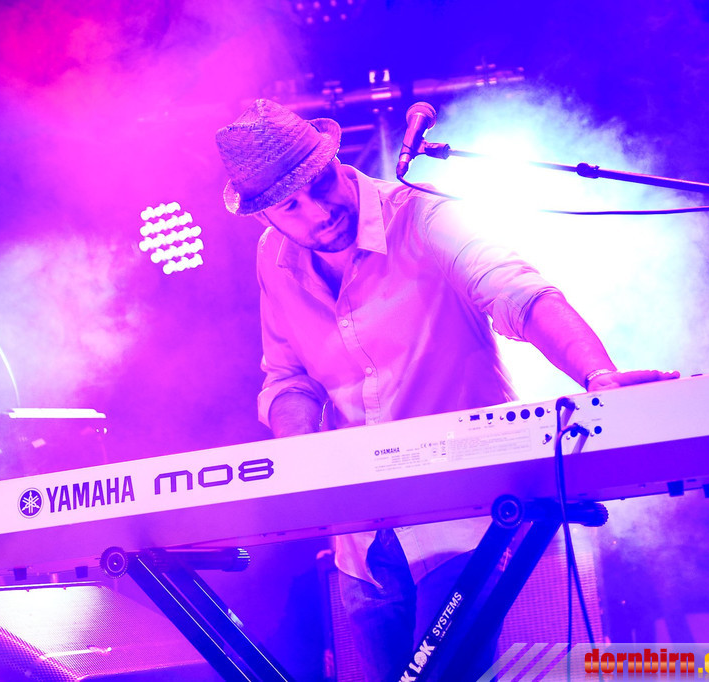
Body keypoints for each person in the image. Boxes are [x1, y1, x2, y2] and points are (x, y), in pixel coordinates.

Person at [216, 99, 677, 682]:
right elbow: (288, 379)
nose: (320, 210)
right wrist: (301, 461)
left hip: (462, 516)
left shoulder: (423, 215)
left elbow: (519, 293)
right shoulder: (273, 260)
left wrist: (598, 377)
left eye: (322, 182)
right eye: (291, 206)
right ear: (264, 216)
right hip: (362, 542)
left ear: (335, 161)